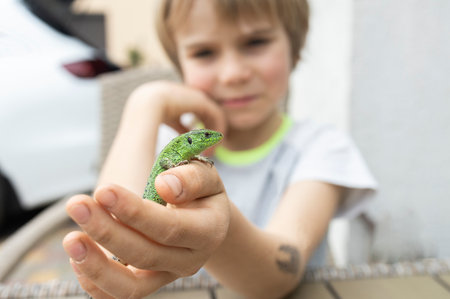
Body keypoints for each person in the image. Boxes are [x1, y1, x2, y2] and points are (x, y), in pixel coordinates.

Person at [63, 0, 377, 298]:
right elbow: (111, 235)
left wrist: (219, 230)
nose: (233, 74)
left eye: (256, 42)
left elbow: (282, 273)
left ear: (294, 50)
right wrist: (144, 103)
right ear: (180, 65)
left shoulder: (322, 148)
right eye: (204, 52)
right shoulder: (164, 141)